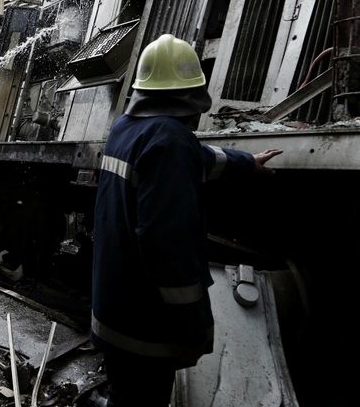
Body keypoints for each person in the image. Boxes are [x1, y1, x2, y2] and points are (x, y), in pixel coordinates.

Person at [91, 34, 282, 407]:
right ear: (189, 95)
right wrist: (193, 328)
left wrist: (246, 162)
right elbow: (168, 249)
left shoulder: (126, 130)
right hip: (145, 326)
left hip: (112, 310)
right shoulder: (170, 141)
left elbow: (196, 156)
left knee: (122, 396)